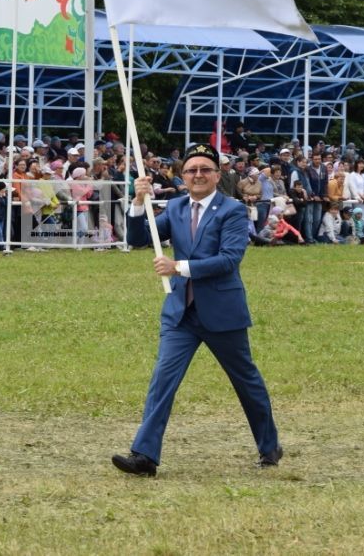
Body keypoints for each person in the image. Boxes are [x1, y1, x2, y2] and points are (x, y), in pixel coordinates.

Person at [112, 143, 281, 477]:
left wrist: (180, 267)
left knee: (246, 382)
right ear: (182, 176)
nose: (198, 175)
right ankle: (144, 456)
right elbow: (137, 238)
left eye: (205, 169)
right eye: (191, 170)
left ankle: (269, 445)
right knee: (163, 381)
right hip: (181, 315)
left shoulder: (231, 210)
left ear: (217, 175)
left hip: (222, 312)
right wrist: (136, 202)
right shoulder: (174, 208)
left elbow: (230, 259)